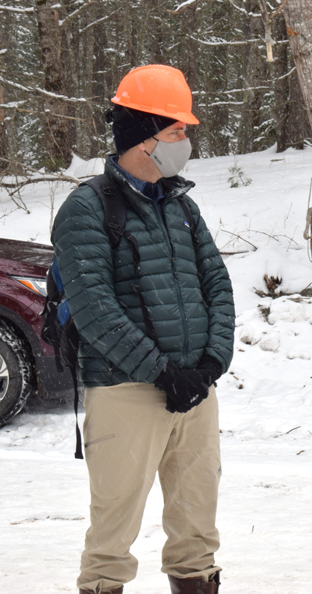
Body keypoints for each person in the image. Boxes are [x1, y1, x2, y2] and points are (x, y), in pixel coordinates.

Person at [51, 65, 235, 594]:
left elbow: (217, 286)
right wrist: (162, 372)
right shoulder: (87, 210)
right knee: (111, 542)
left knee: (198, 535)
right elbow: (95, 311)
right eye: (177, 131)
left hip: (196, 391)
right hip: (124, 391)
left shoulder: (181, 205)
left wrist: (210, 364)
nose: (186, 141)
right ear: (142, 135)